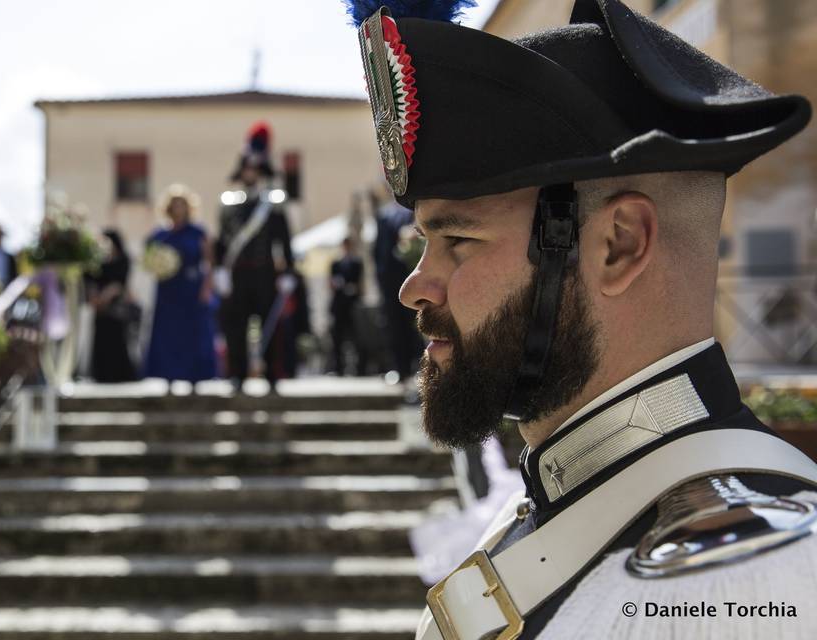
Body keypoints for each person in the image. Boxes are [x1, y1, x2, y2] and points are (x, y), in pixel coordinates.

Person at [344, 1, 817, 638]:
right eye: (424, 244)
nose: (414, 287)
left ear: (617, 245)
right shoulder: (544, 511)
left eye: (459, 240)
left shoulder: (749, 584)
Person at [214, 122, 295, 393]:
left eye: (255, 168)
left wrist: (288, 272)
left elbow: (284, 239)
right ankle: (237, 375)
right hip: (237, 272)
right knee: (236, 326)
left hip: (265, 271)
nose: (251, 172)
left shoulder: (272, 201)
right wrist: (219, 271)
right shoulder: (228, 202)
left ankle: (271, 375)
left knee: (268, 325)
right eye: (247, 167)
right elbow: (222, 240)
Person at [143, 184, 217, 384]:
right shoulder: (160, 234)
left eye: (181, 204)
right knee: (168, 336)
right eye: (174, 204)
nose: (178, 208)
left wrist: (207, 288)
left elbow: (209, 262)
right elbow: (148, 259)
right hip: (168, 291)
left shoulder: (197, 232)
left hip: (191, 289)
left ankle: (194, 378)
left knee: (192, 335)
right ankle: (169, 376)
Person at [372, 187, 422, 380]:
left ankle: (416, 366)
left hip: (408, 276)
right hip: (389, 281)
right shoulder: (383, 215)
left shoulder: (412, 213)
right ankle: (400, 368)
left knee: (414, 326)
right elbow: (377, 250)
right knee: (393, 326)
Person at [86, 229, 137, 383]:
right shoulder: (96, 260)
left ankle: (120, 375)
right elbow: (90, 280)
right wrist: (95, 298)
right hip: (100, 309)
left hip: (116, 307)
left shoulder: (123, 260)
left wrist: (104, 297)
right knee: (101, 341)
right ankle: (102, 374)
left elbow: (119, 283)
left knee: (117, 341)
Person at [329, 236, 366, 375]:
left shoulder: (357, 263)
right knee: (337, 338)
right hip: (338, 306)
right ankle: (338, 368)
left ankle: (359, 368)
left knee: (356, 336)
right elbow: (331, 283)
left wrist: (353, 288)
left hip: (352, 305)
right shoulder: (335, 263)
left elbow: (360, 284)